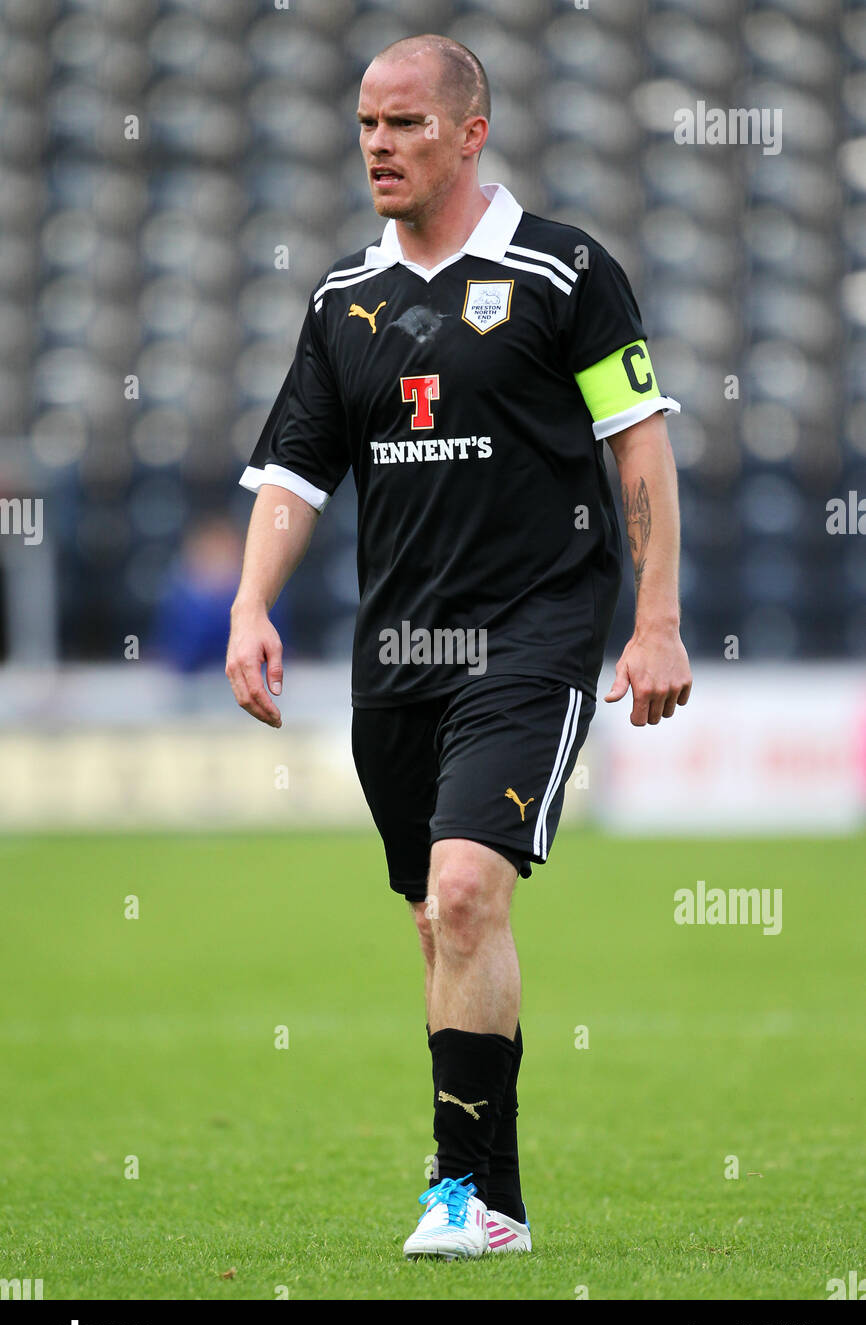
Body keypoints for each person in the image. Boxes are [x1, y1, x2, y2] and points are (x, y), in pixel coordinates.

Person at [226, 33, 692, 1260]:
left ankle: (459, 1200)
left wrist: (653, 618)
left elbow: (637, 445)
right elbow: (292, 474)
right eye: (365, 124)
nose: (377, 144)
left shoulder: (565, 269)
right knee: (439, 928)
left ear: (470, 131)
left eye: (405, 123)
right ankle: (487, 1189)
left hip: (534, 630)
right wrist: (249, 604)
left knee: (467, 890)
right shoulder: (341, 300)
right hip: (399, 650)